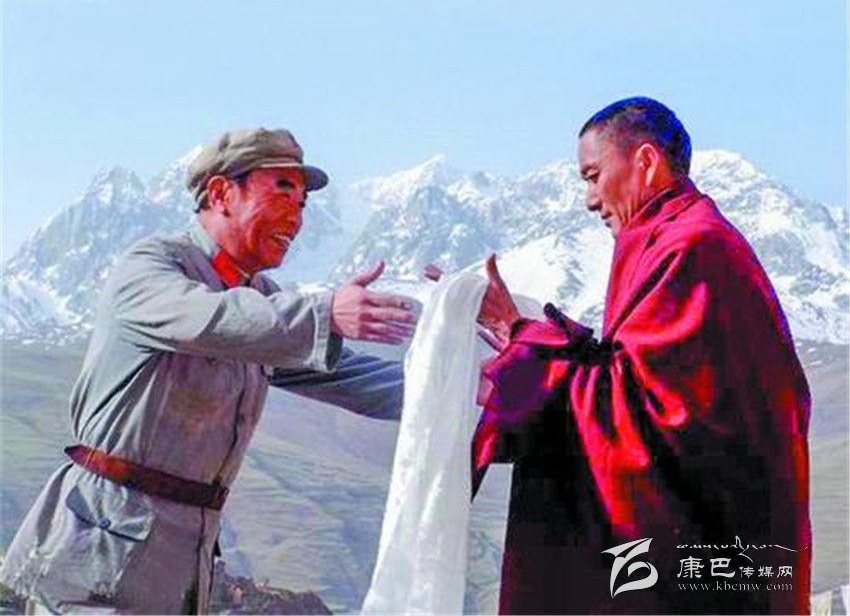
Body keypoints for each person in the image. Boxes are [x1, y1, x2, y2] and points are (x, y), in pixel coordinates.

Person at [0, 128, 417, 614]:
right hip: (97, 549)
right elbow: (211, 320)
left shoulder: (262, 301)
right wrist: (324, 312)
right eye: (283, 191)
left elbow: (352, 375)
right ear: (221, 193)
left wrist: (468, 385)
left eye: (303, 203)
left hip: (183, 559)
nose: (297, 216)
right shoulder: (151, 267)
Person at [472, 97, 811, 615]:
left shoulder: (693, 247)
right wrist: (526, 343)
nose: (589, 200)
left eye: (593, 176)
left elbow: (645, 410)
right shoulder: (666, 240)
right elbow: (635, 377)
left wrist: (526, 347)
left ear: (646, 162)